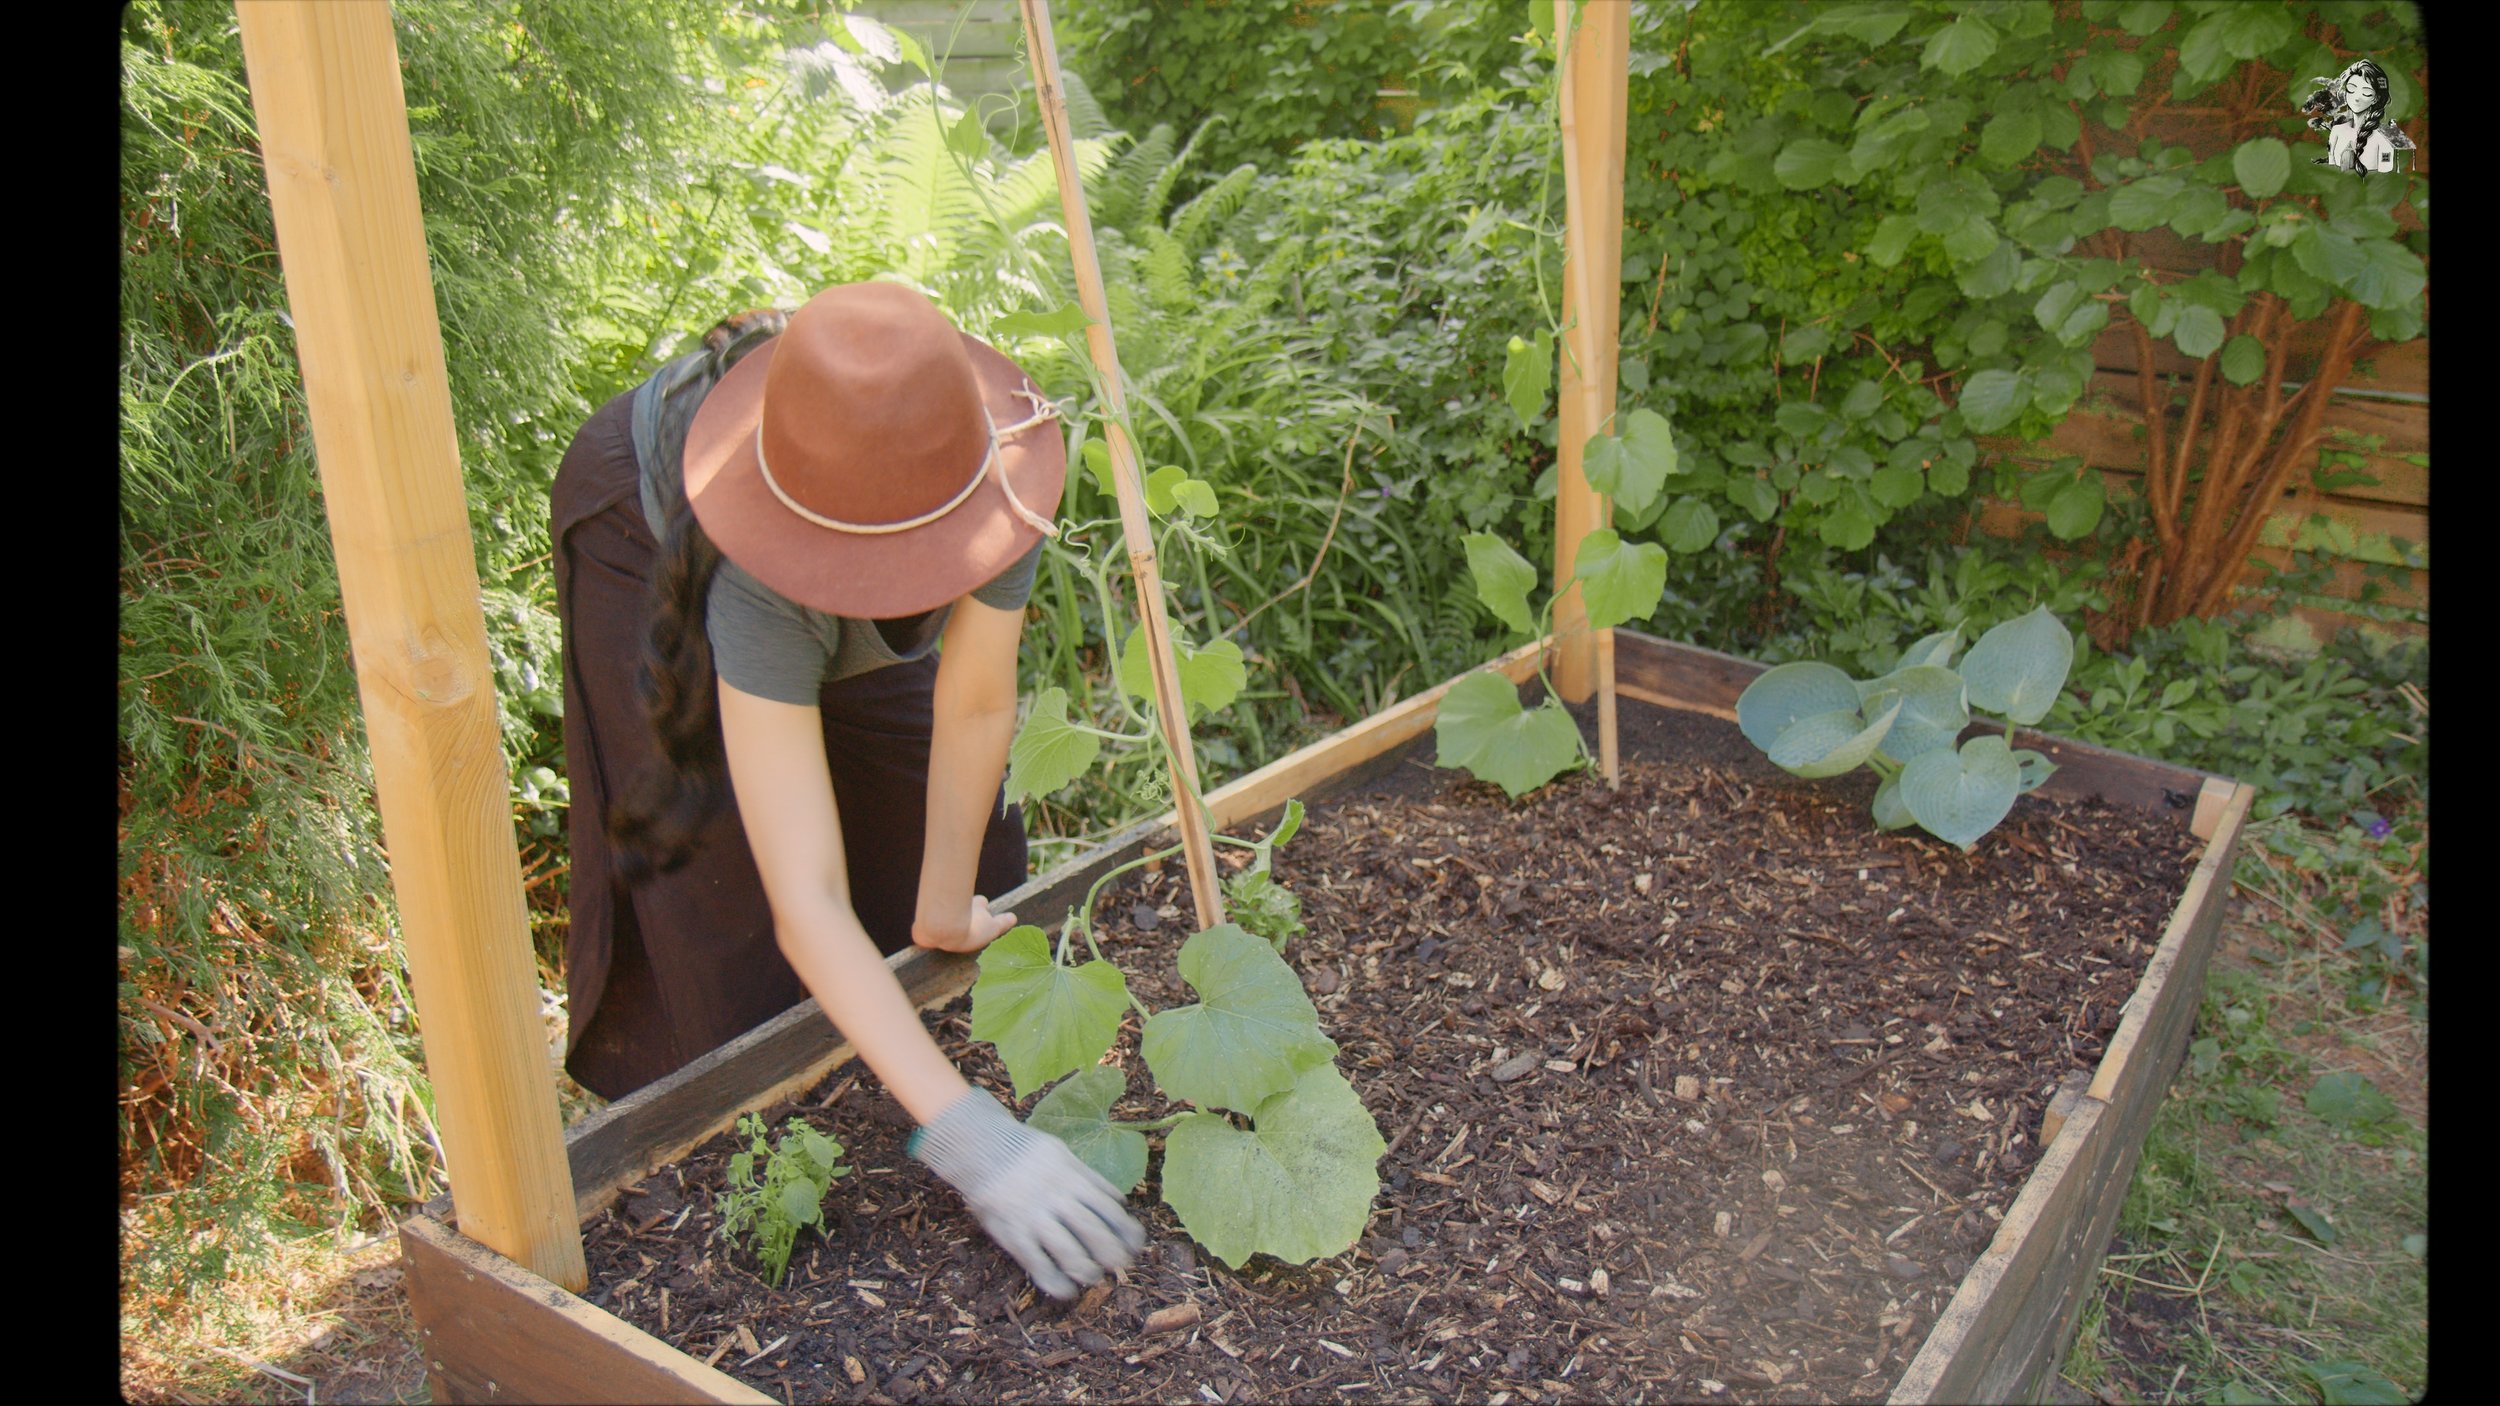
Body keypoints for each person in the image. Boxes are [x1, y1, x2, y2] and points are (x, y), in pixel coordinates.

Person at [550, 280, 1144, 1299]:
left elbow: (970, 705)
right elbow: (806, 900)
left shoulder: (982, 463)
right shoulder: (758, 579)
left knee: (948, 824)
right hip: (652, 541)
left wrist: (942, 902)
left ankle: (894, 1019)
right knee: (721, 898)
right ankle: (730, 1172)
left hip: (860, 496)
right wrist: (972, 1141)